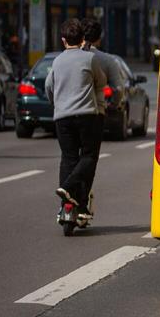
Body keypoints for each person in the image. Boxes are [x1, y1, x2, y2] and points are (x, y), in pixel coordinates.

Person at [46, 19, 106, 224]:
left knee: (69, 157)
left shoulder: (56, 61)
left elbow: (49, 86)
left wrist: (57, 103)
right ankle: (69, 188)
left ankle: (66, 206)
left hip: (62, 118)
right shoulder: (89, 59)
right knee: (88, 156)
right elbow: (101, 82)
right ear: (82, 39)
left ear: (63, 41)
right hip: (86, 115)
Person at [79, 17, 125, 215]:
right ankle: (80, 202)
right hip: (94, 113)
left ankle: (67, 199)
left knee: (70, 157)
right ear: (100, 37)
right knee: (89, 159)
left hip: (66, 115)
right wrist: (113, 105)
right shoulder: (106, 60)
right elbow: (119, 89)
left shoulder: (66, 57)